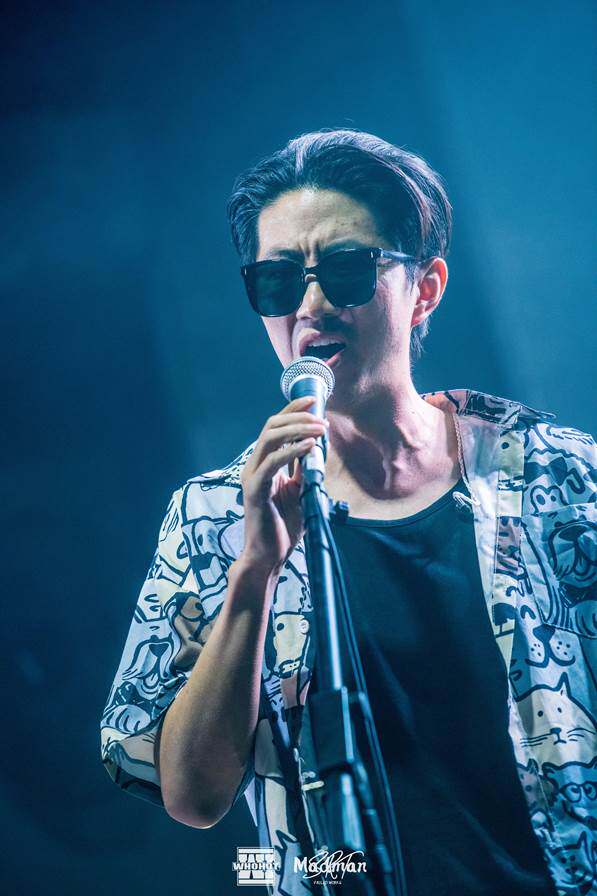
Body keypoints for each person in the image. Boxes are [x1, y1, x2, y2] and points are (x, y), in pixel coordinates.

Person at [100, 129, 596, 896]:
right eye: (276, 280)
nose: (310, 305)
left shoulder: (554, 477)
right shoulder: (212, 518)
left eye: (346, 269)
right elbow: (192, 798)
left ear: (423, 288)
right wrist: (254, 571)